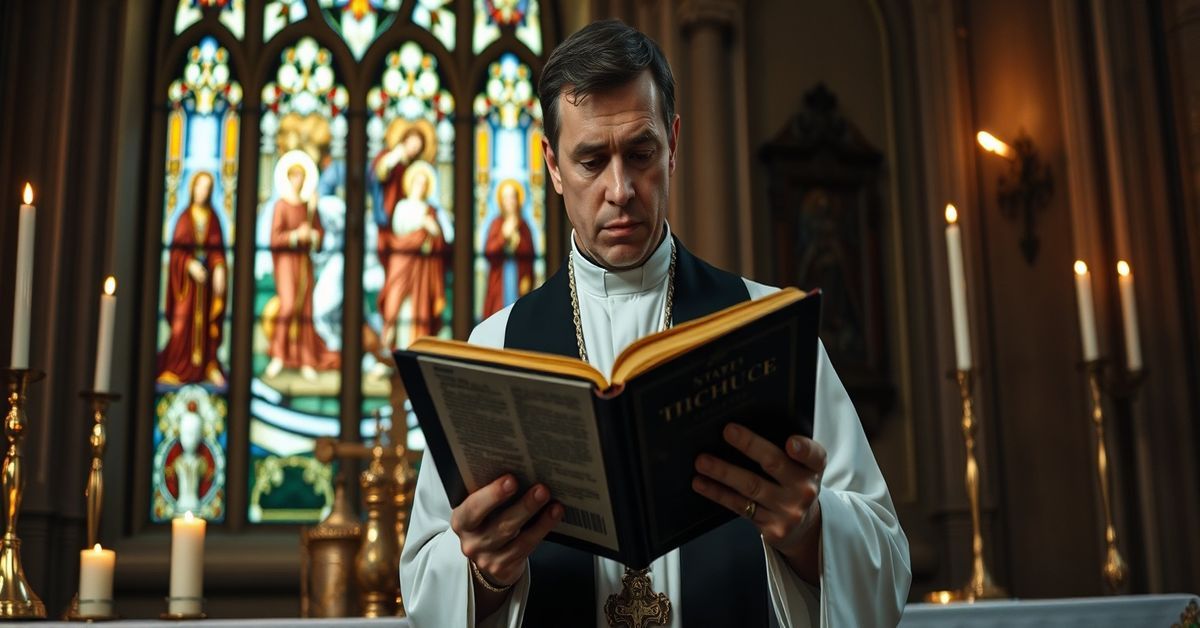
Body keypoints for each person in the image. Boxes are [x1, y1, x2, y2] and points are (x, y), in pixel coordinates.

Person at [401, 19, 911, 627]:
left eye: (640, 154)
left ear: (673, 142)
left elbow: (887, 564)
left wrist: (810, 530)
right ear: (552, 165)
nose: (621, 190)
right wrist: (483, 574)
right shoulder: (495, 346)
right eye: (591, 160)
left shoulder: (768, 326)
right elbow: (428, 586)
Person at [265, 157, 340, 380]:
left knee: (306, 309)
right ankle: (278, 355)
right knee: (288, 306)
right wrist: (297, 235)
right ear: (288, 178)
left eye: (301, 177)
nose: (298, 181)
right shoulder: (281, 205)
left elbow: (319, 235)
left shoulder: (309, 206)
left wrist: (314, 236)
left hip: (304, 263)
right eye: (294, 176)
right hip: (287, 262)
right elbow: (275, 238)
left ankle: (306, 358)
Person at [157, 171, 228, 387]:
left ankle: (209, 365)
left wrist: (219, 269)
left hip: (205, 286)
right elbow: (177, 251)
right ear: (193, 188)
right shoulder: (184, 217)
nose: (203, 192)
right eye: (200, 186)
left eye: (207, 188)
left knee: (207, 325)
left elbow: (217, 250)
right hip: (186, 287)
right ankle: (176, 366)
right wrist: (189, 265)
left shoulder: (213, 218)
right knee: (182, 324)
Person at [378, 159, 449, 351]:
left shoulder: (430, 210)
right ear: (410, 184)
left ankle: (415, 348)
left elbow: (439, 238)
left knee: (418, 307)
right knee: (395, 305)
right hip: (401, 261)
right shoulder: (402, 206)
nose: (420, 186)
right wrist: (421, 225)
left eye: (424, 183)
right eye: (417, 182)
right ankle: (390, 349)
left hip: (422, 268)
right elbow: (398, 231)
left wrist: (432, 228)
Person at [482, 178, 536, 318]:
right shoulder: (496, 224)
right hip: (500, 278)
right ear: (501, 201)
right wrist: (503, 236)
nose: (510, 201)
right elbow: (489, 251)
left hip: (519, 275)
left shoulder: (524, 226)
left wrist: (518, 241)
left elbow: (530, 254)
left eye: (512, 197)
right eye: (506, 198)